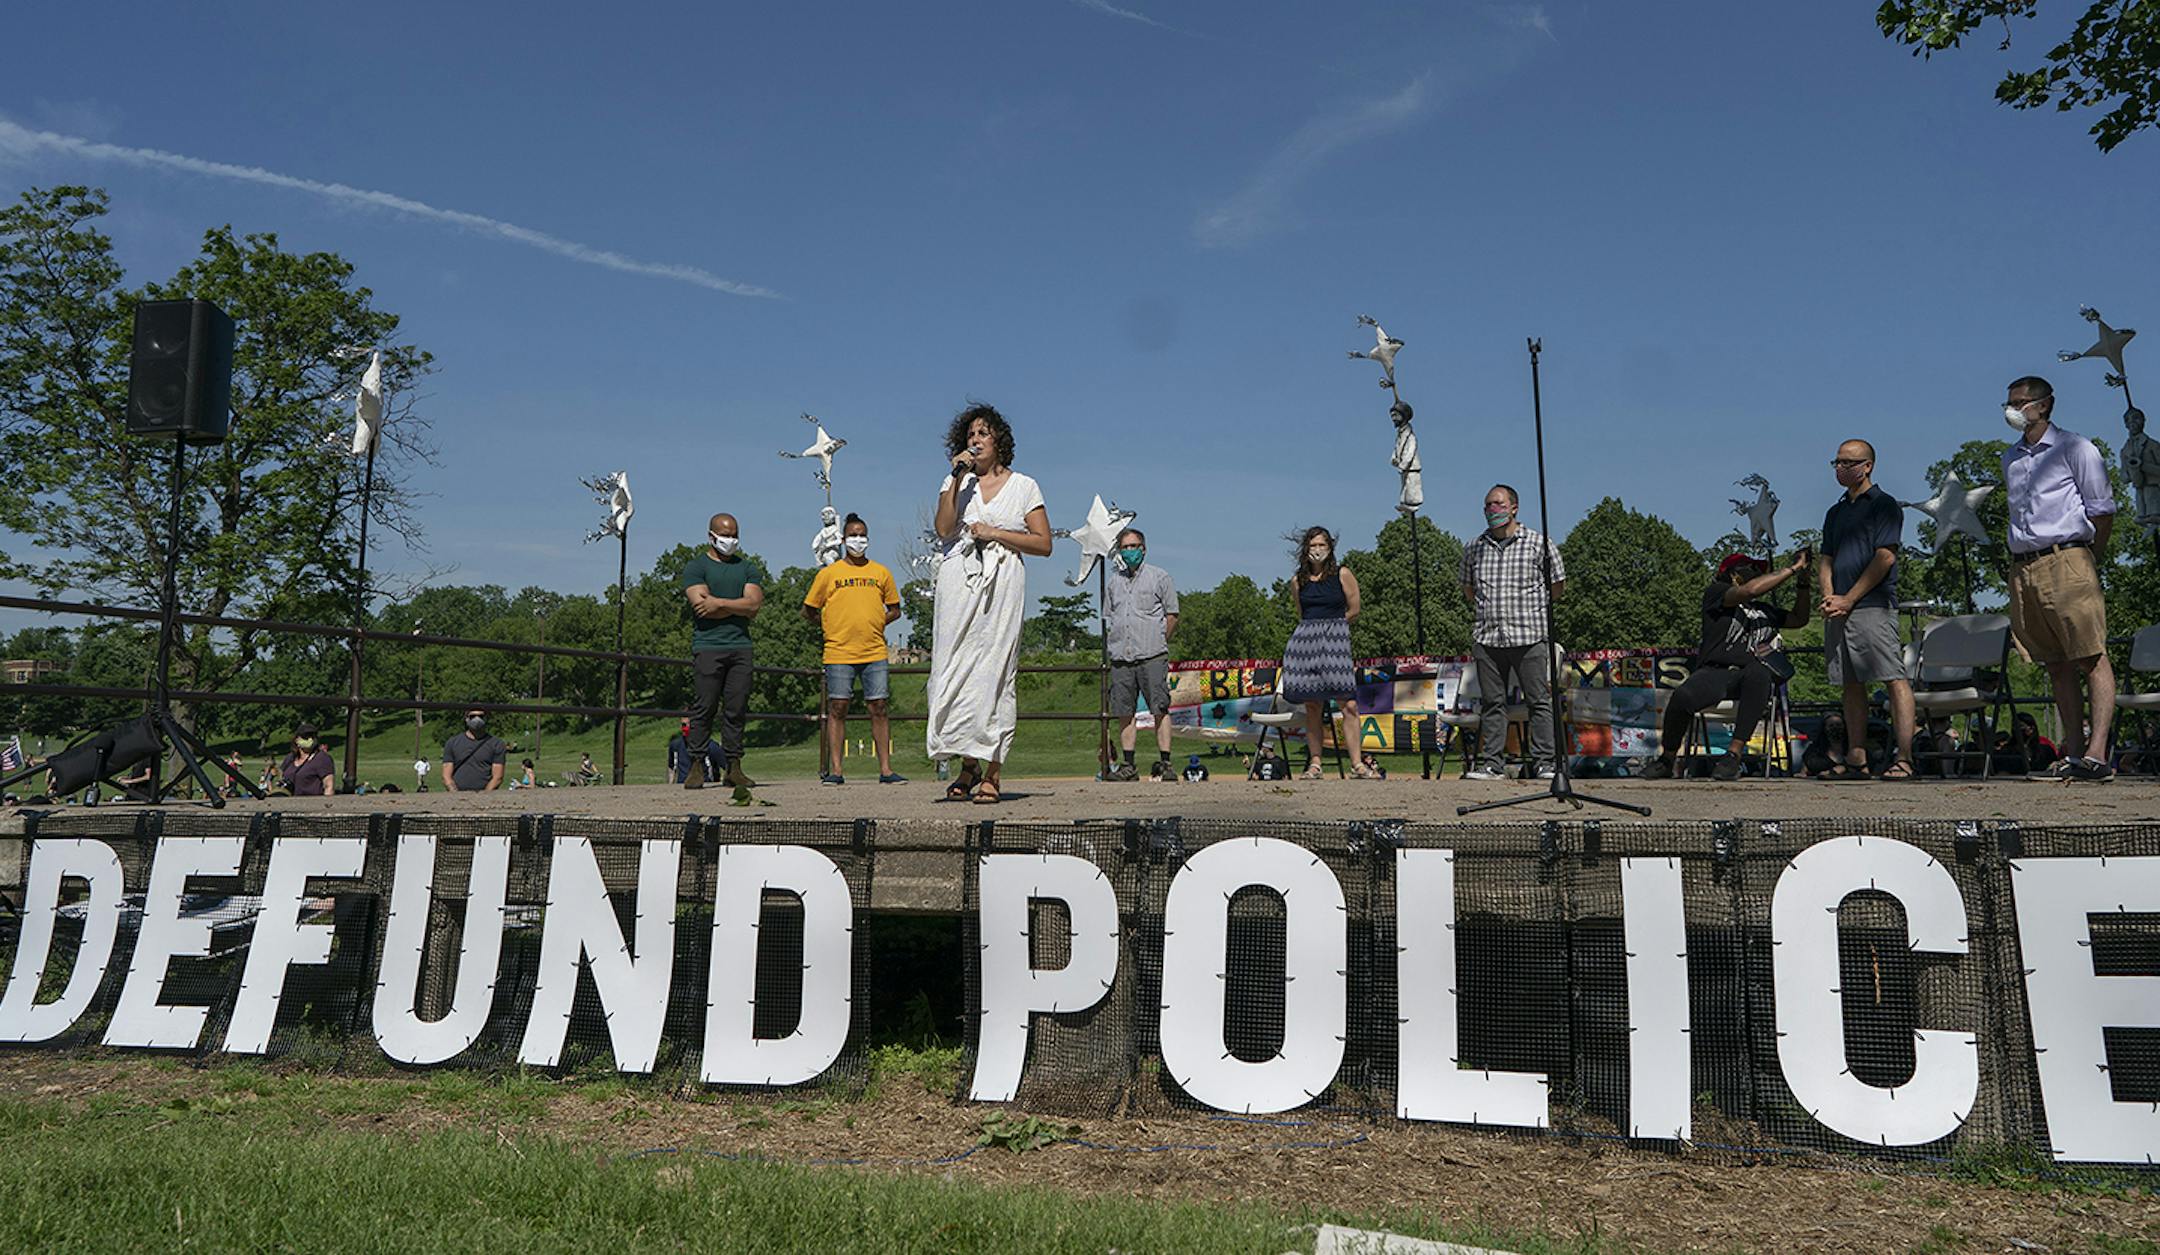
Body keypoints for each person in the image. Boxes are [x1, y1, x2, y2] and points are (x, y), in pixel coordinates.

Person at [927, 403, 1052, 805]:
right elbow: (944, 529)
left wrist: (995, 532)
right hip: (958, 586)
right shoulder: (956, 484)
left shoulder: (1025, 486)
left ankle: (992, 770)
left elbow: (1043, 543)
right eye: (970, 436)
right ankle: (968, 764)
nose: (975, 441)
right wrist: (954, 476)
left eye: (983, 434)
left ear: (999, 439)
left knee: (994, 673)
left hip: (1001, 586)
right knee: (955, 671)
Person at [2002, 376, 2117, 781]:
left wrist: (2089, 560)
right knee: (2054, 662)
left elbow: (2102, 509)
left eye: (2020, 403)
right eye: (2010, 402)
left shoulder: (2076, 448)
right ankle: (2072, 751)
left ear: (2044, 405)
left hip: (2067, 556)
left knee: (2089, 654)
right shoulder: (2011, 458)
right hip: (2024, 564)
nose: (2012, 410)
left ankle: (2098, 753)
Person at [1641, 551, 1810, 781]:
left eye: (1759, 570)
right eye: (1750, 568)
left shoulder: (1764, 610)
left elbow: (1799, 619)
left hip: (1749, 676)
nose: (1757, 573)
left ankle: (1733, 755)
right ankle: (1667, 759)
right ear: (1733, 574)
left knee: (1759, 674)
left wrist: (1803, 581)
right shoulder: (1717, 594)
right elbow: (1749, 590)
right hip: (1716, 670)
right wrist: (1792, 569)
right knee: (1682, 697)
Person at [1818, 440, 1916, 780]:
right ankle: (1856, 758)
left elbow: (1885, 556)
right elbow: (1826, 558)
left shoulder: (1884, 505)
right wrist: (1831, 597)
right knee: (1850, 682)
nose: (1840, 468)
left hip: (1873, 605)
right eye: (1837, 462)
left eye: (1848, 462)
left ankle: (1904, 757)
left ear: (1868, 465)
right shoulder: (1836, 512)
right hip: (1839, 610)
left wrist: (1851, 598)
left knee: (1893, 676)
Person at [1459, 484, 1566, 781]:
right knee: (1493, 703)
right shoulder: (1473, 547)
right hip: (1488, 637)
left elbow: (1557, 586)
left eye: (1498, 503)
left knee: (1539, 701)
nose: (1492, 510)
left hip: (1529, 635)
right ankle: (1492, 764)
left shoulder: (1538, 544)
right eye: (1487, 505)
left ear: (1514, 507)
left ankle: (1545, 762)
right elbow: (1468, 589)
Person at [804, 512, 906, 785]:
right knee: (838, 707)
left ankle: (886, 769)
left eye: (862, 535)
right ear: (842, 539)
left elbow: (895, 609)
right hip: (839, 651)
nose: (858, 540)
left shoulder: (881, 572)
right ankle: (836, 771)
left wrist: (876, 621)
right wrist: (828, 625)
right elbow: (809, 609)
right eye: (853, 535)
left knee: (879, 706)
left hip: (874, 651)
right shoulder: (829, 574)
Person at [1281, 527, 1376, 779]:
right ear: (1305, 549)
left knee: (1350, 704)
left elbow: (1354, 609)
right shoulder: (1297, 581)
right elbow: (1301, 613)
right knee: (1312, 705)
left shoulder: (1342, 574)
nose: (1317, 550)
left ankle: (1357, 763)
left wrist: (1333, 628)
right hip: (1305, 645)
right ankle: (1315, 763)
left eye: (1322, 545)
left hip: (1336, 643)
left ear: (1330, 548)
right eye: (1313, 546)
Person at [682, 512, 766, 789]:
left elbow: (754, 605)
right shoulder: (696, 567)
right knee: (704, 706)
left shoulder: (748, 568)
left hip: (741, 647)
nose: (730, 540)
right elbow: (701, 607)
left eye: (734, 535)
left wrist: (719, 603)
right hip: (708, 647)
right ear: (711, 536)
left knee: (736, 707)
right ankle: (696, 764)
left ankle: (734, 766)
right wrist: (734, 605)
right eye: (725, 535)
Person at [1103, 527, 1180, 781]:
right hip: (1121, 657)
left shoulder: (1160, 577)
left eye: (1134, 546)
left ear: (1143, 549)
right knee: (1124, 711)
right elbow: (1109, 616)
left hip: (1152, 655)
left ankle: (1166, 763)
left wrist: (1158, 639)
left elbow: (1172, 615)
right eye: (1125, 547)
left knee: (1160, 708)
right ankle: (1128, 765)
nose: (1129, 551)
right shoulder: (1113, 582)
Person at [441, 708, 506, 792]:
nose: (477, 719)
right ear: (466, 718)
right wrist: (455, 794)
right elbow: (446, 776)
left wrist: (485, 796)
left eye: (481, 716)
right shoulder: (452, 743)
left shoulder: (497, 744)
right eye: (473, 716)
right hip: (457, 795)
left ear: (486, 718)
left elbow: (498, 777)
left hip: (485, 796)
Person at [280, 724, 337, 797]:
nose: (310, 739)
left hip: (311, 804)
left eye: (313, 736)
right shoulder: (290, 758)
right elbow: (281, 776)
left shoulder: (322, 759)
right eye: (305, 737)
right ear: (297, 739)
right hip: (289, 803)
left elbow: (329, 786)